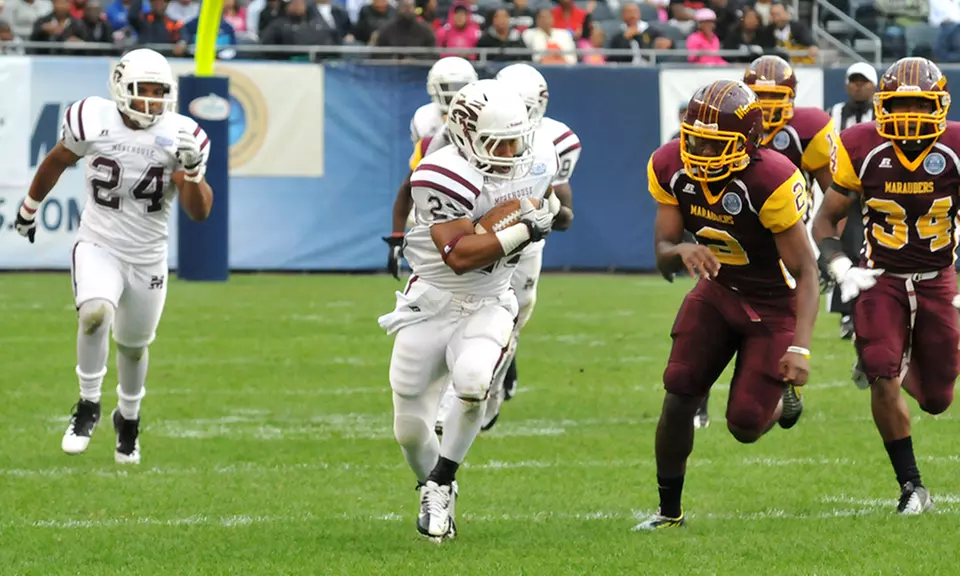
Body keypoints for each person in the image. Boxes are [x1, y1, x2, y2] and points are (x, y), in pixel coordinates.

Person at [378, 79, 561, 540]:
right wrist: (524, 229)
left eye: (516, 139)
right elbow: (458, 255)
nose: (510, 151)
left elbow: (554, 204)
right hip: (431, 301)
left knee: (475, 381)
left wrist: (547, 208)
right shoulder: (440, 172)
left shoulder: (540, 157)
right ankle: (431, 485)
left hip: (490, 300)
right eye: (498, 142)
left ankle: (442, 480)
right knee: (408, 430)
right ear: (464, 134)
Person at [14, 48, 213, 465]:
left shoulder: (182, 135)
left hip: (147, 256)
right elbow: (58, 159)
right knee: (94, 314)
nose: (153, 102)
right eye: (144, 92)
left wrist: (193, 173)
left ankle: (129, 418)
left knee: (134, 348)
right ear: (121, 89)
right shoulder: (92, 118)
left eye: (161, 92)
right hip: (99, 242)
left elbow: (199, 212)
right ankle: (88, 405)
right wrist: (29, 208)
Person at [635, 79, 818, 530]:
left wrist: (801, 347)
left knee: (744, 426)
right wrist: (679, 252)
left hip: (773, 305)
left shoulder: (770, 179)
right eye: (693, 137)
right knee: (679, 393)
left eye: (713, 142)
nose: (698, 150)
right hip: (717, 295)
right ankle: (668, 512)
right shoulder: (669, 164)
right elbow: (662, 253)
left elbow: (808, 271)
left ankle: (783, 403)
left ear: (748, 142)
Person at [812, 57, 959, 515]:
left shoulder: (955, 144)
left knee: (937, 399)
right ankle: (911, 486)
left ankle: (895, 357)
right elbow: (825, 221)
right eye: (901, 104)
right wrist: (838, 265)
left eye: (919, 104)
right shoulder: (860, 144)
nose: (911, 115)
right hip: (880, 277)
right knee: (881, 374)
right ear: (882, 105)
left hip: (938, 279)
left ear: (940, 104)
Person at [435, 63, 580, 433]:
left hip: (523, 248)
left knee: (511, 321)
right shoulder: (454, 135)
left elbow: (561, 209)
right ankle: (445, 397)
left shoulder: (551, 146)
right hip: (473, 235)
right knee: (448, 310)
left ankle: (492, 389)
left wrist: (547, 214)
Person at [694, 54, 833, 430]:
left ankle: (778, 383)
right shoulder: (722, 127)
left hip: (783, 242)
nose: (769, 106)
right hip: (733, 235)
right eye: (760, 96)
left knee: (774, 319)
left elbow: (834, 194)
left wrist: (832, 243)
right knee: (705, 316)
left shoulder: (808, 129)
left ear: (791, 98)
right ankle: (696, 400)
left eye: (776, 97)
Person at [384, 56, 478, 280]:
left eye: (459, 87)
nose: (453, 93)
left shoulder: (483, 115)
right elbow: (411, 183)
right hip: (439, 206)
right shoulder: (426, 125)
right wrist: (397, 238)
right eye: (448, 87)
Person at [825, 62, 877, 340]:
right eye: (854, 81)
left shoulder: (882, 113)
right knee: (845, 249)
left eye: (864, 81)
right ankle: (847, 312)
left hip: (878, 191)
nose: (859, 86)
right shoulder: (833, 114)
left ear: (874, 85)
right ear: (846, 85)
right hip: (845, 191)